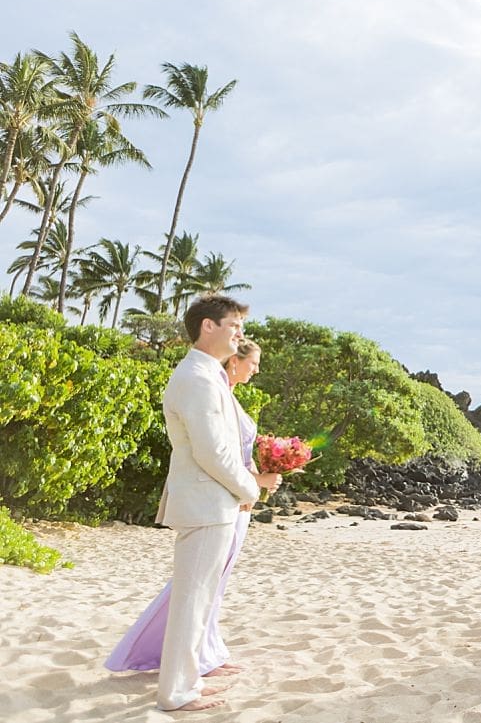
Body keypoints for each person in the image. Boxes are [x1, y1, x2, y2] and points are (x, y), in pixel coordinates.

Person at [105, 338, 265, 680]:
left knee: (214, 583)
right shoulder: (203, 386)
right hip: (224, 496)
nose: (257, 370)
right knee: (200, 585)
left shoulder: (226, 395)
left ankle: (210, 652)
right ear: (235, 362)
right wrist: (254, 484)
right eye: (253, 363)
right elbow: (214, 454)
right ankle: (183, 660)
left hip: (234, 497)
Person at [151, 296, 280, 712]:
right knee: (192, 601)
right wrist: (251, 489)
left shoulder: (207, 375)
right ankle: (176, 692)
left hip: (212, 503)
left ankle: (187, 682)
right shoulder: (197, 378)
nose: (239, 335)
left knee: (200, 599)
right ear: (208, 326)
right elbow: (213, 453)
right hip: (207, 504)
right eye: (234, 325)